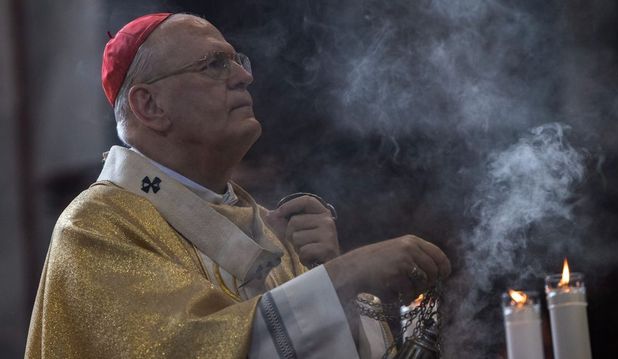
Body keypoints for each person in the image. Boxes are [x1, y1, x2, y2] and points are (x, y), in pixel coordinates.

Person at [25, 13, 451, 358]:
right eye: (213, 65)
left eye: (237, 60)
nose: (243, 77)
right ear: (149, 105)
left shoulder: (269, 229)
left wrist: (332, 278)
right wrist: (343, 276)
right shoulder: (96, 227)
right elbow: (182, 348)